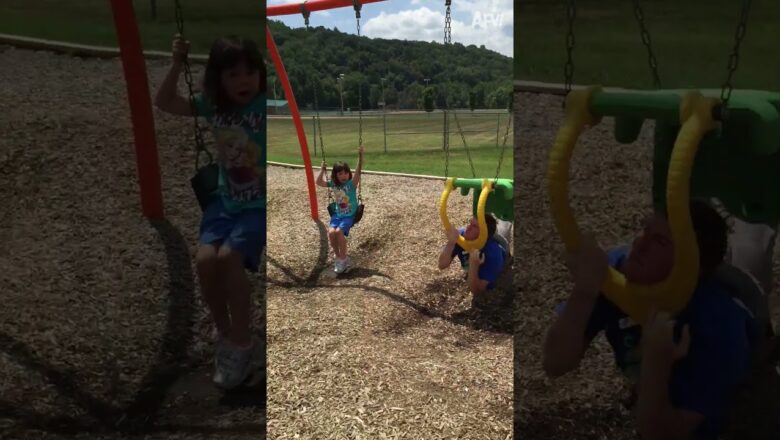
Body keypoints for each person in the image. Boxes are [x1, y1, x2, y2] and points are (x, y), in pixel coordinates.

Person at [542, 200, 759, 439]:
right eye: (645, 230)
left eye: (660, 242)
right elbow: (555, 362)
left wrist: (656, 360)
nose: (639, 244)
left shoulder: (718, 326)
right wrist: (584, 290)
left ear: (689, 266)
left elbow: (660, 434)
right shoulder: (621, 272)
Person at [154, 34, 265, 389]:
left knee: (230, 257)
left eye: (250, 72)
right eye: (233, 74)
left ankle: (244, 342)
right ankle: (228, 337)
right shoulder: (214, 106)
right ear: (218, 78)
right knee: (204, 260)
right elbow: (165, 101)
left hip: (258, 205)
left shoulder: (264, 105)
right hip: (224, 200)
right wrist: (176, 62)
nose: (243, 81)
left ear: (260, 75)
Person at [438, 213, 510, 305]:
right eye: (470, 223)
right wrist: (451, 243)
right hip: (489, 237)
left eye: (474, 226)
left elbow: (477, 291)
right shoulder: (461, 235)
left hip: (501, 247)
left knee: (504, 226)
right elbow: (442, 265)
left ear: (483, 233)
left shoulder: (493, 254)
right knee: (498, 228)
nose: (468, 227)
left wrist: (474, 265)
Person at [316, 146, 363, 274]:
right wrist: (322, 170)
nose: (344, 176)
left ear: (349, 174)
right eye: (340, 173)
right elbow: (319, 182)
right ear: (336, 175)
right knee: (331, 232)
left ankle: (343, 259)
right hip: (337, 215)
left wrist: (360, 156)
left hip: (349, 216)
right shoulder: (334, 184)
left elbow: (358, 172)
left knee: (339, 232)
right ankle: (340, 258)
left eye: (346, 173)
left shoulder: (351, 185)